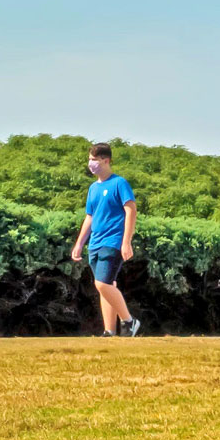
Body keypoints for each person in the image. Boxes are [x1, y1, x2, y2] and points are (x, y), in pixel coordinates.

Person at [69, 141, 142, 336]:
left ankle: (129, 321)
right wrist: (79, 243)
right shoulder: (93, 188)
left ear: (106, 160)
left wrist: (126, 241)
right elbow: (90, 217)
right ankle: (109, 331)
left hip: (113, 241)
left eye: (94, 159)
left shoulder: (119, 183)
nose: (90, 163)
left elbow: (131, 210)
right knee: (106, 286)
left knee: (102, 283)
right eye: (89, 159)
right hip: (95, 243)